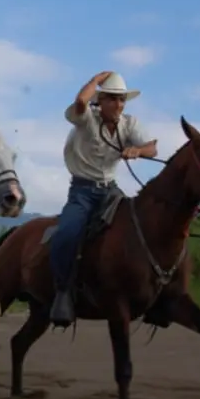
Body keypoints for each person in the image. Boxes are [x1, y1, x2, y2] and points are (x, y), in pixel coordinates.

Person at [49, 72, 158, 328]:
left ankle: (149, 291)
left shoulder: (129, 124)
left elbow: (152, 148)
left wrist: (138, 150)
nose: (119, 105)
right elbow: (80, 102)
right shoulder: (86, 119)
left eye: (122, 100)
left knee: (138, 228)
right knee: (66, 233)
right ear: (101, 101)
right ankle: (63, 292)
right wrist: (96, 80)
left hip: (111, 190)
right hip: (82, 191)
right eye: (112, 99)